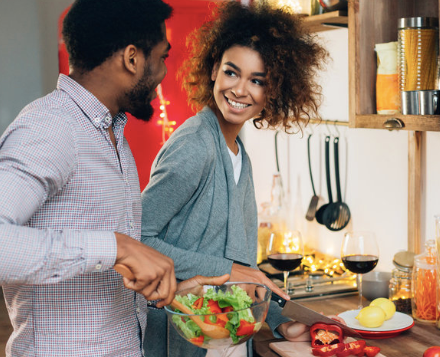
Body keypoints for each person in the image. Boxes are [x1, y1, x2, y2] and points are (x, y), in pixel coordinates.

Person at [0, 0, 208, 356]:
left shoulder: (109, 131)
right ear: (132, 58)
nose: (161, 73)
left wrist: (170, 287)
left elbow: (109, 269)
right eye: (161, 57)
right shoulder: (51, 127)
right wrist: (117, 246)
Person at [140, 2, 331, 356]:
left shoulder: (237, 150)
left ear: (271, 91)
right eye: (232, 72)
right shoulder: (195, 146)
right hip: (186, 338)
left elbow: (244, 268)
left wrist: (279, 320)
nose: (240, 90)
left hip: (226, 340)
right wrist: (228, 271)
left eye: (256, 81)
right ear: (214, 69)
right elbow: (138, 238)